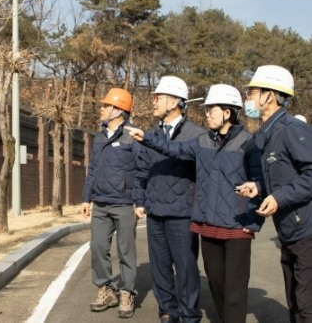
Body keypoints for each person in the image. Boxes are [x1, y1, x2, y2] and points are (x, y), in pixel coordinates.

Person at [127, 84, 264, 323]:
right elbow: (174, 148)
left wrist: (254, 220)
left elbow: (261, 181)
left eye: (212, 110)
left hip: (238, 227)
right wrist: (146, 138)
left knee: (235, 290)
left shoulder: (248, 143)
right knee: (217, 285)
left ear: (228, 113)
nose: (207, 114)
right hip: (208, 226)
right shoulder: (202, 141)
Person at [235, 65, 312, 323]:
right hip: (289, 231)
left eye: (252, 93)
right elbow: (284, 177)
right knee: (295, 301)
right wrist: (259, 187)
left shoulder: (290, 129)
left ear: (269, 96)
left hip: (307, 233)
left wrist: (279, 198)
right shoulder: (265, 136)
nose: (248, 100)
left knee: (306, 306)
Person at [132, 76, 205, 323]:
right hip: (154, 211)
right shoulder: (149, 135)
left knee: (185, 268)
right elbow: (141, 170)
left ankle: (189, 315)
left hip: (183, 212)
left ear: (174, 102)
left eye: (158, 98)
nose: (153, 102)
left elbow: (193, 163)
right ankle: (167, 312)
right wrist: (139, 201)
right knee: (159, 267)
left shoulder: (197, 134)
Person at [81, 87, 140, 319]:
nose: (102, 109)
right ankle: (105, 290)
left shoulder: (132, 136)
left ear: (118, 110)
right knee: (97, 248)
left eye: (106, 106)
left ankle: (127, 292)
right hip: (101, 203)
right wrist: (87, 198)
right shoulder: (98, 137)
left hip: (125, 203)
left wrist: (139, 200)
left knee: (126, 251)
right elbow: (92, 170)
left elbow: (141, 171)